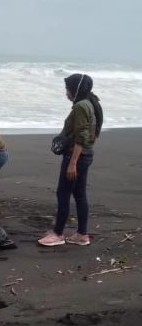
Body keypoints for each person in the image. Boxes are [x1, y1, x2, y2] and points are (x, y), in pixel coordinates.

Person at [38, 73, 103, 246]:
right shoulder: (90, 103)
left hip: (77, 155)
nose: (66, 92)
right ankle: (82, 234)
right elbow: (90, 133)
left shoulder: (81, 106)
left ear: (76, 89)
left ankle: (58, 234)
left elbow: (81, 135)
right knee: (79, 194)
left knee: (63, 193)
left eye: (67, 88)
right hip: (86, 154)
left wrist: (72, 162)